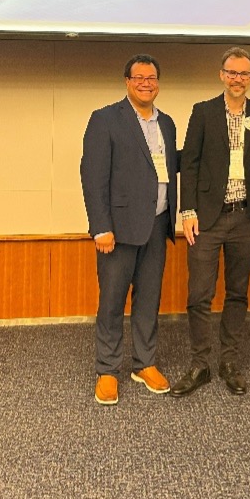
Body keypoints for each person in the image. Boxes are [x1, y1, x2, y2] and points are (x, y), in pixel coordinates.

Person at [170, 47, 250, 397]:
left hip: (246, 218)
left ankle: (229, 361)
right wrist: (188, 211)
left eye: (244, 74)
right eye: (232, 72)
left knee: (238, 293)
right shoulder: (203, 112)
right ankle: (200, 363)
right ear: (221, 75)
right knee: (199, 295)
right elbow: (191, 164)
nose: (237, 79)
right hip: (207, 220)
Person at [80, 54, 177, 406]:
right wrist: (101, 227)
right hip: (117, 230)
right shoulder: (105, 119)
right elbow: (93, 177)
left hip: (157, 224)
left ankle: (144, 363)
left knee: (149, 300)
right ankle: (107, 369)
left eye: (152, 78)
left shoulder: (167, 123)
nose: (146, 83)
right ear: (127, 81)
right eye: (139, 78)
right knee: (111, 301)